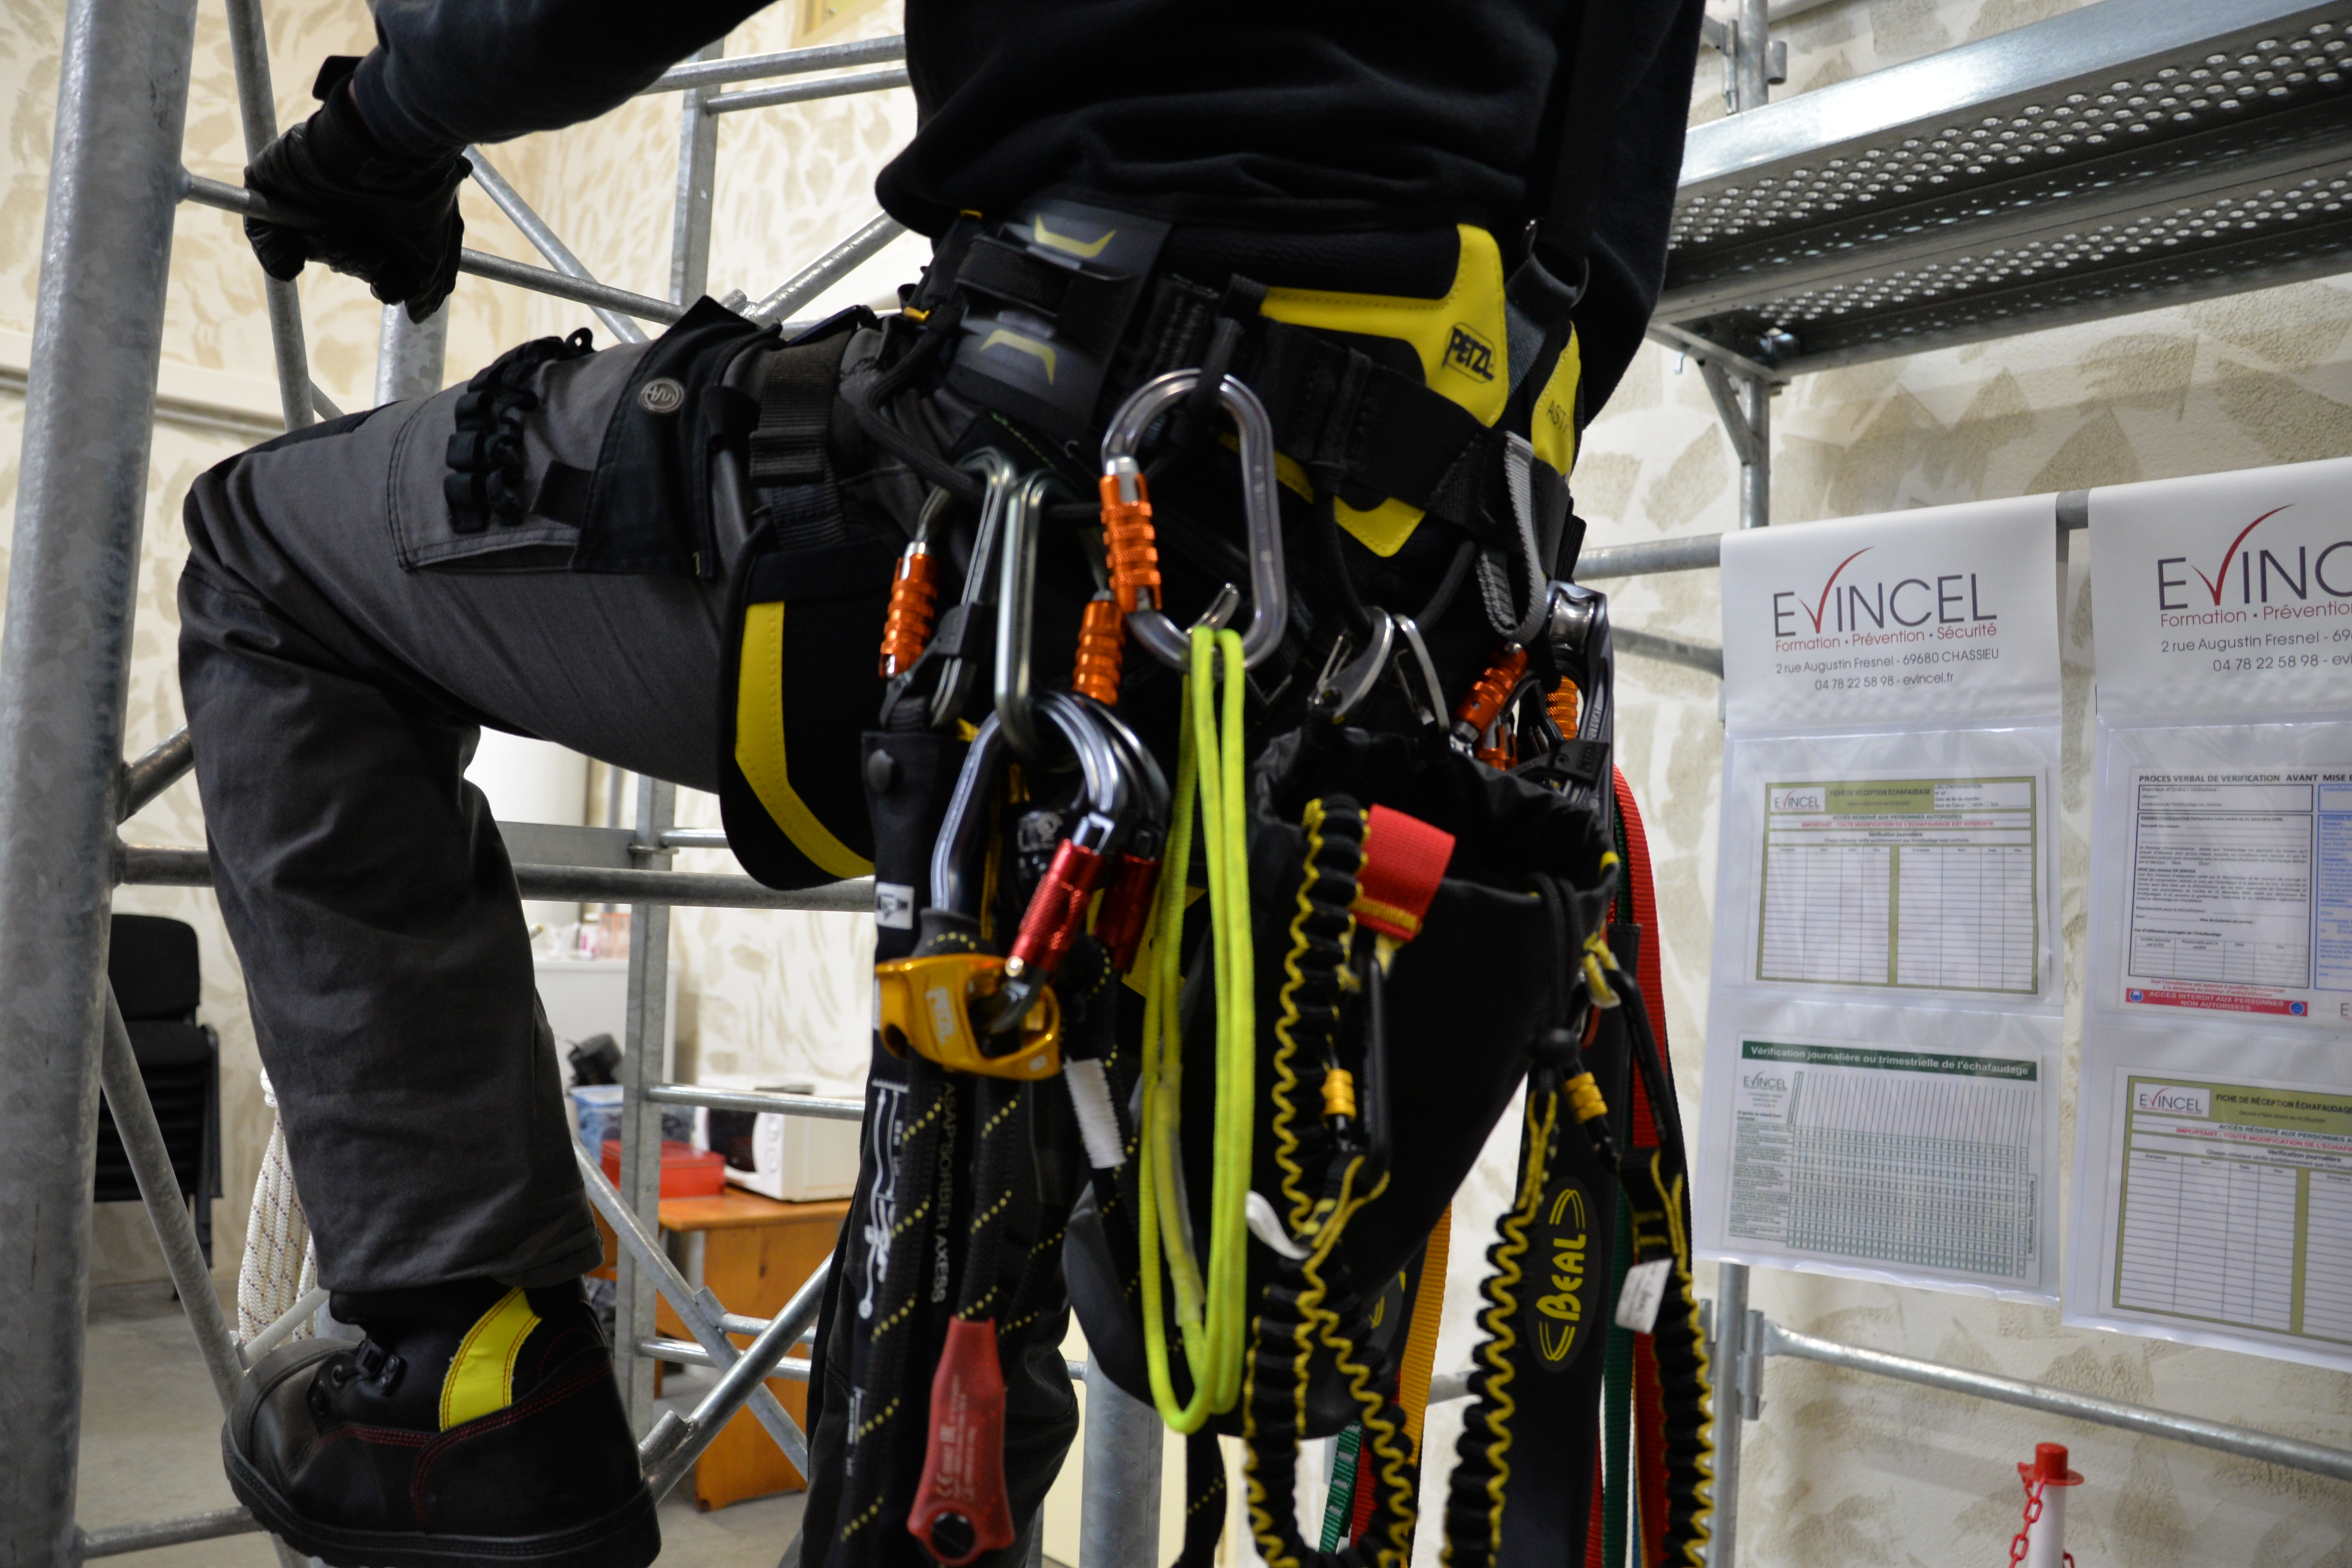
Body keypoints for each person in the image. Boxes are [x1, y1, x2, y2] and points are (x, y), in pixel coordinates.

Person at [192, 5, 1705, 1567]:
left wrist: (380, 129)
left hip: (1062, 457)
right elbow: (1607, 251)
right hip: (1404, 609)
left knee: (266, 565)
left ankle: (469, 1379)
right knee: (1005, 1181)